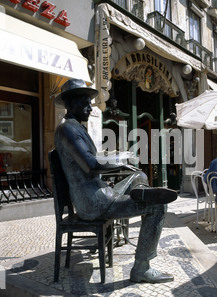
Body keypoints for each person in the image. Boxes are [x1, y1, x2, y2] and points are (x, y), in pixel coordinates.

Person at [54, 79, 178, 284]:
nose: (89, 107)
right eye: (84, 102)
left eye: (90, 103)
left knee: (138, 174)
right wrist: (119, 163)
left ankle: (140, 191)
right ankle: (141, 268)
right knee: (158, 207)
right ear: (69, 105)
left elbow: (90, 163)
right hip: (93, 202)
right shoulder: (68, 129)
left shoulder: (75, 128)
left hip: (99, 192)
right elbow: (91, 165)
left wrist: (121, 164)